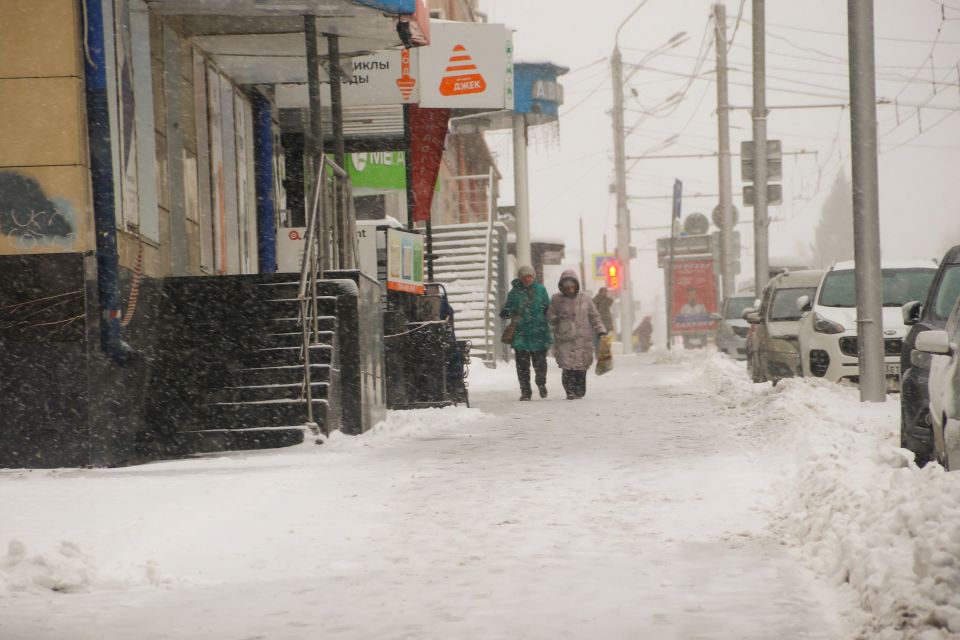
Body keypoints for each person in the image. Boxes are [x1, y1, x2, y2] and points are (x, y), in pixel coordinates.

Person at [548, 269, 607, 400]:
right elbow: (550, 315)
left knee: (581, 366)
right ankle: (569, 391)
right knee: (567, 366)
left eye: (572, 285)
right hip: (565, 337)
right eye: (566, 286)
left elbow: (594, 316)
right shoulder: (556, 299)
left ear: (576, 285)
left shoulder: (585, 298)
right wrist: (556, 319)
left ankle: (579, 390)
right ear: (562, 286)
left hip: (583, 338)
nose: (570, 288)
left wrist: (600, 329)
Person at [500, 265, 552, 401]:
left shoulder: (541, 290)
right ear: (520, 278)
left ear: (533, 277)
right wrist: (506, 312)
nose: (527, 279)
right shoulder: (514, 293)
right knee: (522, 366)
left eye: (529, 276)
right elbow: (508, 307)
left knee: (540, 364)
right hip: (521, 334)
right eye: (524, 277)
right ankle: (525, 391)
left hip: (538, 332)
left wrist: (551, 322)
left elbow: (548, 307)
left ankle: (541, 383)